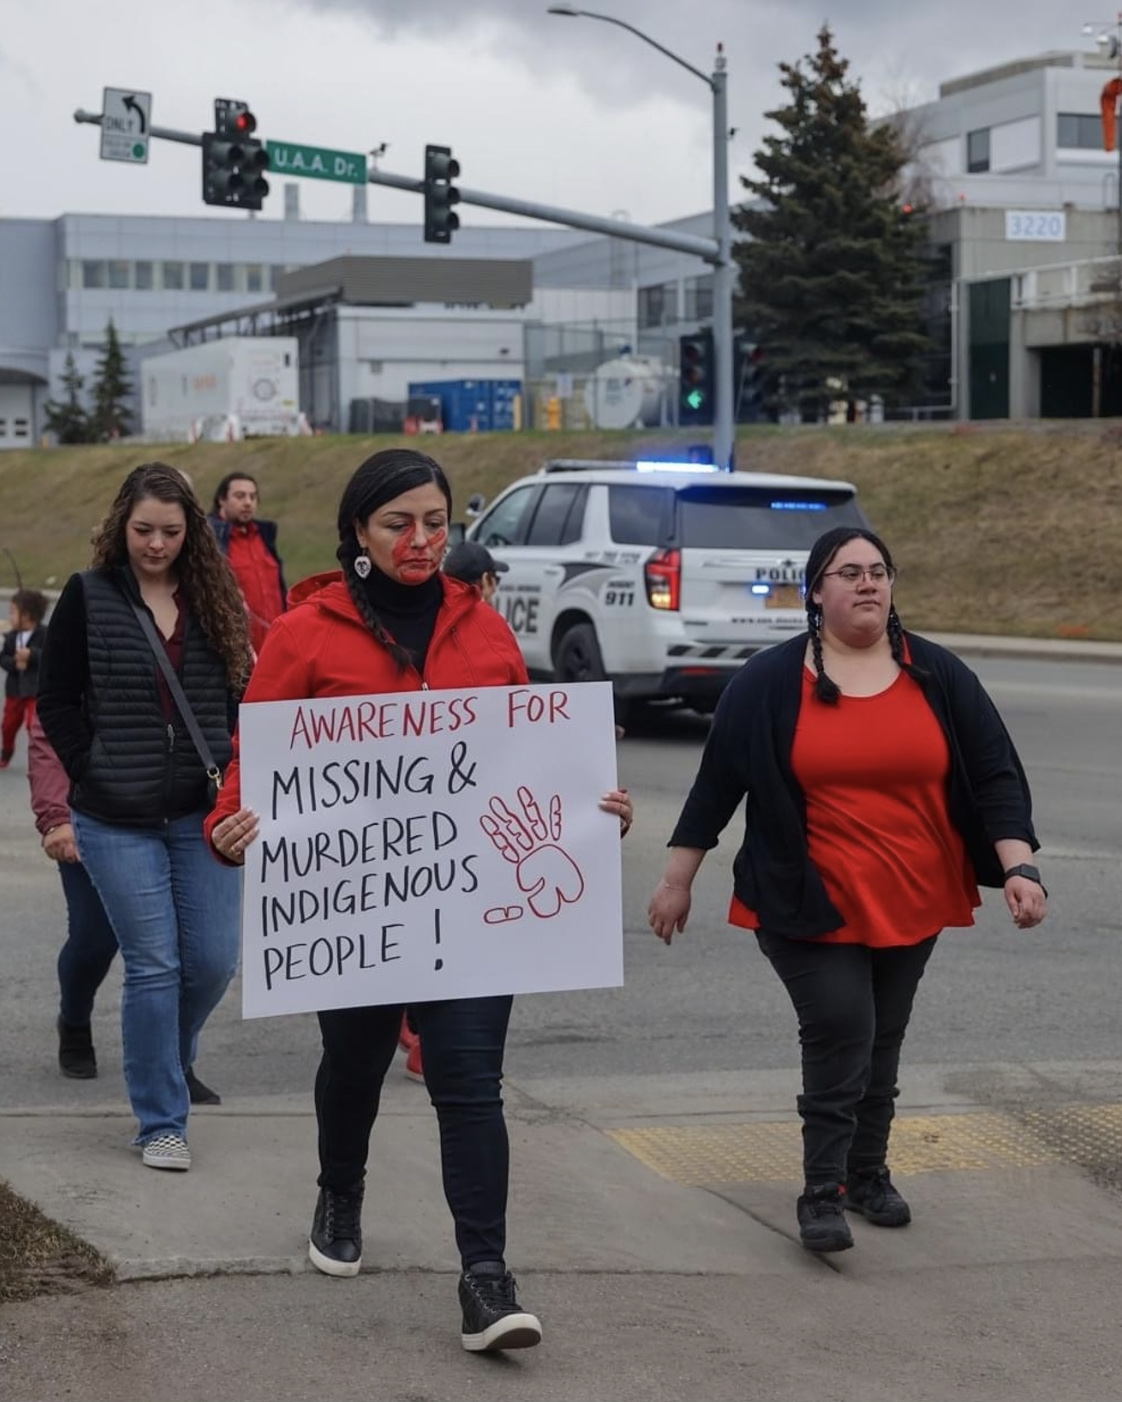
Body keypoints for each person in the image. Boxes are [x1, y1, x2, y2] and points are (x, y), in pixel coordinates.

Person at [204, 447, 633, 1353]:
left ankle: (487, 1279)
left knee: (470, 1083)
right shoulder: (306, 632)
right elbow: (256, 753)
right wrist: (230, 817)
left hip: (474, 910)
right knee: (354, 1066)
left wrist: (591, 809)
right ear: (358, 531)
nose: (423, 540)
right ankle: (341, 1185)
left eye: (437, 522)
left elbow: (530, 749)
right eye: (400, 523)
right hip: (358, 909)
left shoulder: (482, 631)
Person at [647, 525, 1046, 1255]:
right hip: (804, 895)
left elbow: (995, 776)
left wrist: (1019, 867)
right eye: (848, 572)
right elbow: (716, 788)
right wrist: (677, 882)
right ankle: (821, 1191)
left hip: (913, 895)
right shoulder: (769, 682)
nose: (867, 583)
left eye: (879, 571)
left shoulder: (938, 674)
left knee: (881, 1038)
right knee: (842, 1027)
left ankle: (868, 1175)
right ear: (816, 591)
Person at [38, 463, 253, 1171]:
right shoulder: (89, 595)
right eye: (142, 531)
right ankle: (161, 1118)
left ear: (191, 530)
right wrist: (91, 767)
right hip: (114, 816)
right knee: (154, 966)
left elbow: (238, 700)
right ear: (119, 527)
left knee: (214, 961)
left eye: (169, 531)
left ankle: (166, 1054)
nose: (155, 544)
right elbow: (56, 699)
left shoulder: (214, 599)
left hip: (201, 812)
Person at [27, 711, 119, 1079]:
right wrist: (56, 817)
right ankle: (75, 1019)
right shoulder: (78, 649)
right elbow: (49, 727)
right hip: (91, 811)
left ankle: (176, 1059)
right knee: (94, 937)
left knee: (188, 954)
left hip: (179, 813)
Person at [208, 472, 287, 654]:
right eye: (240, 496)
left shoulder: (265, 535)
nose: (248, 502)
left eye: (253, 497)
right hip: (235, 650)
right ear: (222, 500)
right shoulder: (210, 539)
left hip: (275, 645)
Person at [1, 588, 49, 769]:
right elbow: (3, 658)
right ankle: (6, 752)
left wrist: (31, 655)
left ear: (26, 615)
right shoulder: (11, 637)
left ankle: (37, 757)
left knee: (33, 725)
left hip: (34, 691)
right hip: (14, 691)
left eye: (13, 612)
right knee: (7, 726)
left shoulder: (44, 634)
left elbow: (49, 656)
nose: (10, 616)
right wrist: (14, 662)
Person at [442, 540, 508, 607]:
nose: (494, 588)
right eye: (495, 579)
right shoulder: (486, 616)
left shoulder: (435, 609)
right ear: (484, 581)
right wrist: (487, 605)